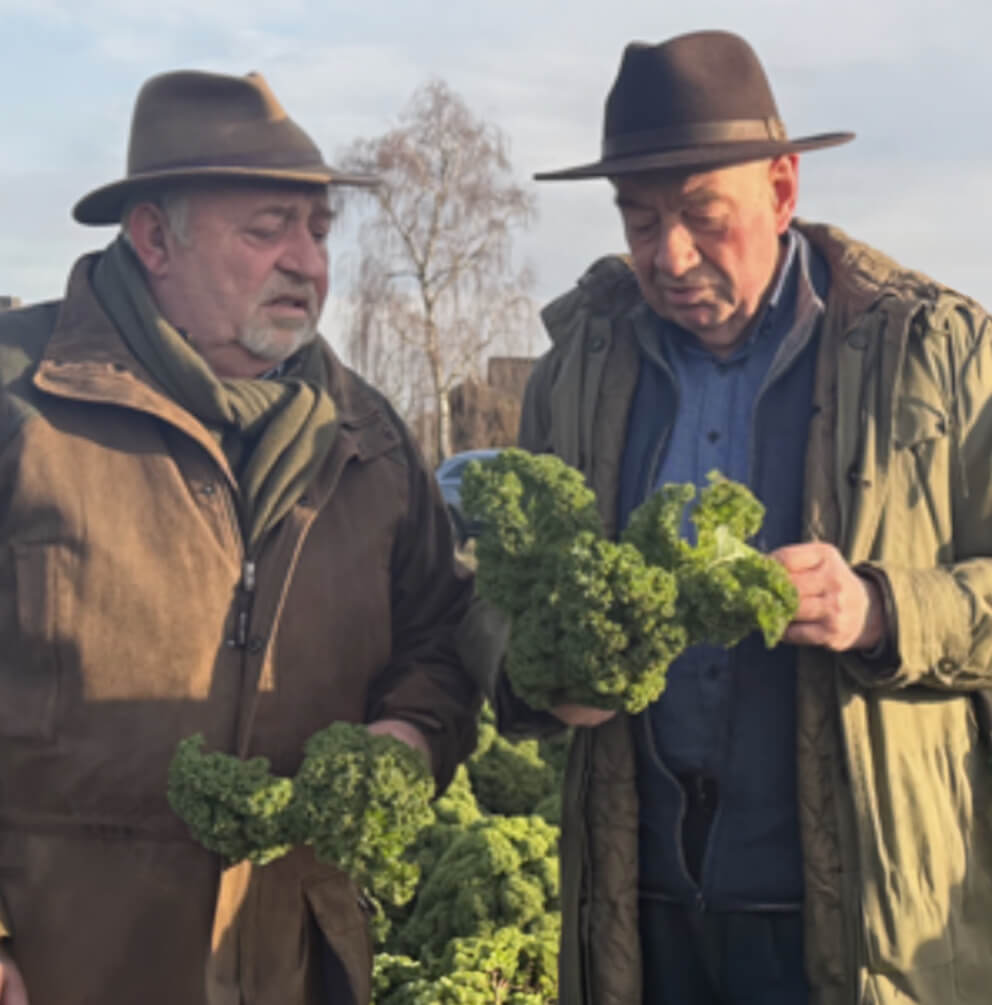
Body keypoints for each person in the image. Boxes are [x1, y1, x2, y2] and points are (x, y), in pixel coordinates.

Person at [466, 29, 992, 1005]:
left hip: (862, 912)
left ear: (781, 190)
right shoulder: (573, 374)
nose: (667, 256)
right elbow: (498, 595)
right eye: (637, 222)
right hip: (640, 908)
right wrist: (544, 674)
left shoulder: (937, 355)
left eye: (703, 217)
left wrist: (879, 610)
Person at [0, 70, 479, 1005]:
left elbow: (441, 639)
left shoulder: (366, 436)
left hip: (295, 962)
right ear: (153, 239)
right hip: (69, 964)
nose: (306, 261)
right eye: (267, 230)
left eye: (319, 230)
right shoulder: (27, 409)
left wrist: (410, 733)